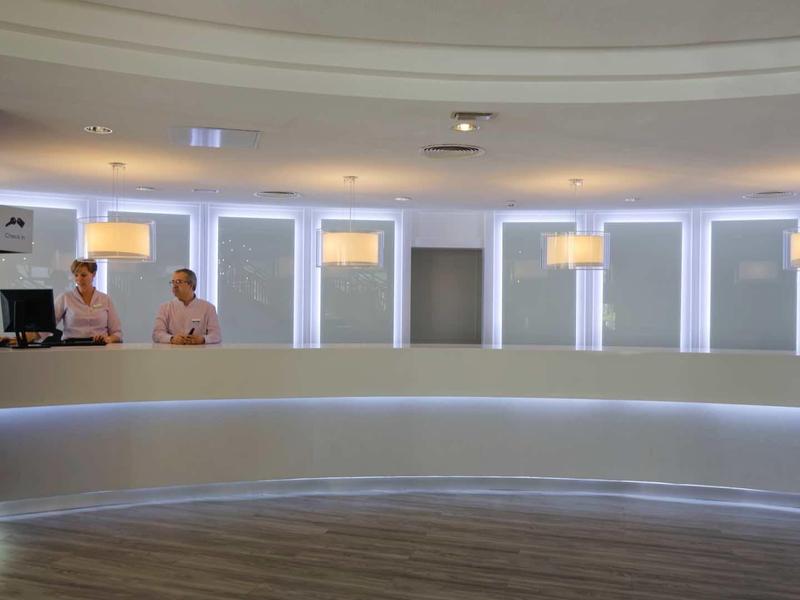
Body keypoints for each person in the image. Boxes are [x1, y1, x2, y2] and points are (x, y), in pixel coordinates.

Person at [54, 259, 123, 343]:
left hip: (100, 348)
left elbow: (117, 333)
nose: (79, 279)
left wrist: (107, 339)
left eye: (83, 275)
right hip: (71, 348)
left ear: (93, 274)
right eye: (76, 275)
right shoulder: (65, 298)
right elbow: (47, 325)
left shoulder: (105, 299)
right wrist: (34, 335)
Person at [152, 268, 221, 345]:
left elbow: (216, 335)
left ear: (191, 285)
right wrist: (172, 339)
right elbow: (157, 334)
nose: (174, 286)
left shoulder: (208, 308)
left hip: (199, 354)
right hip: (172, 354)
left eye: (178, 282)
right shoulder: (165, 308)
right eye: (173, 282)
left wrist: (202, 339)